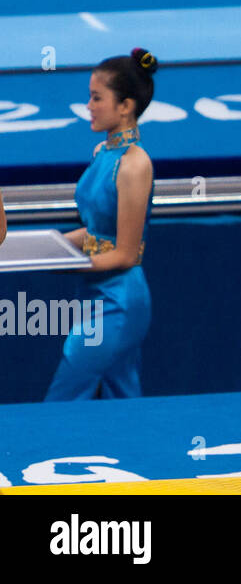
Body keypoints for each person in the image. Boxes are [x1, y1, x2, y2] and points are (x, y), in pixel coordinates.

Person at [45, 49, 158, 401]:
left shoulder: (134, 165)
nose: (89, 106)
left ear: (125, 106)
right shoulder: (101, 153)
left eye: (97, 98)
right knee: (123, 399)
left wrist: (66, 263)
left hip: (120, 301)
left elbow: (125, 254)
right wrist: (53, 244)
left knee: (62, 400)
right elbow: (95, 231)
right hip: (93, 295)